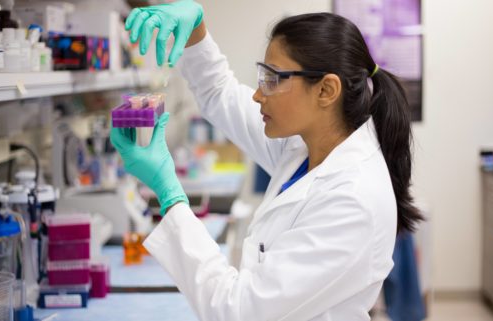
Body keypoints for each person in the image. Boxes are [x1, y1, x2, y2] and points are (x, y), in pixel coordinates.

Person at [110, 1, 424, 320]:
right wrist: (196, 31)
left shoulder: (352, 200)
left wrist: (170, 195)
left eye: (272, 78)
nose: (259, 94)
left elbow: (239, 311)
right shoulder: (306, 149)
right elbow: (220, 92)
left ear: (327, 90)